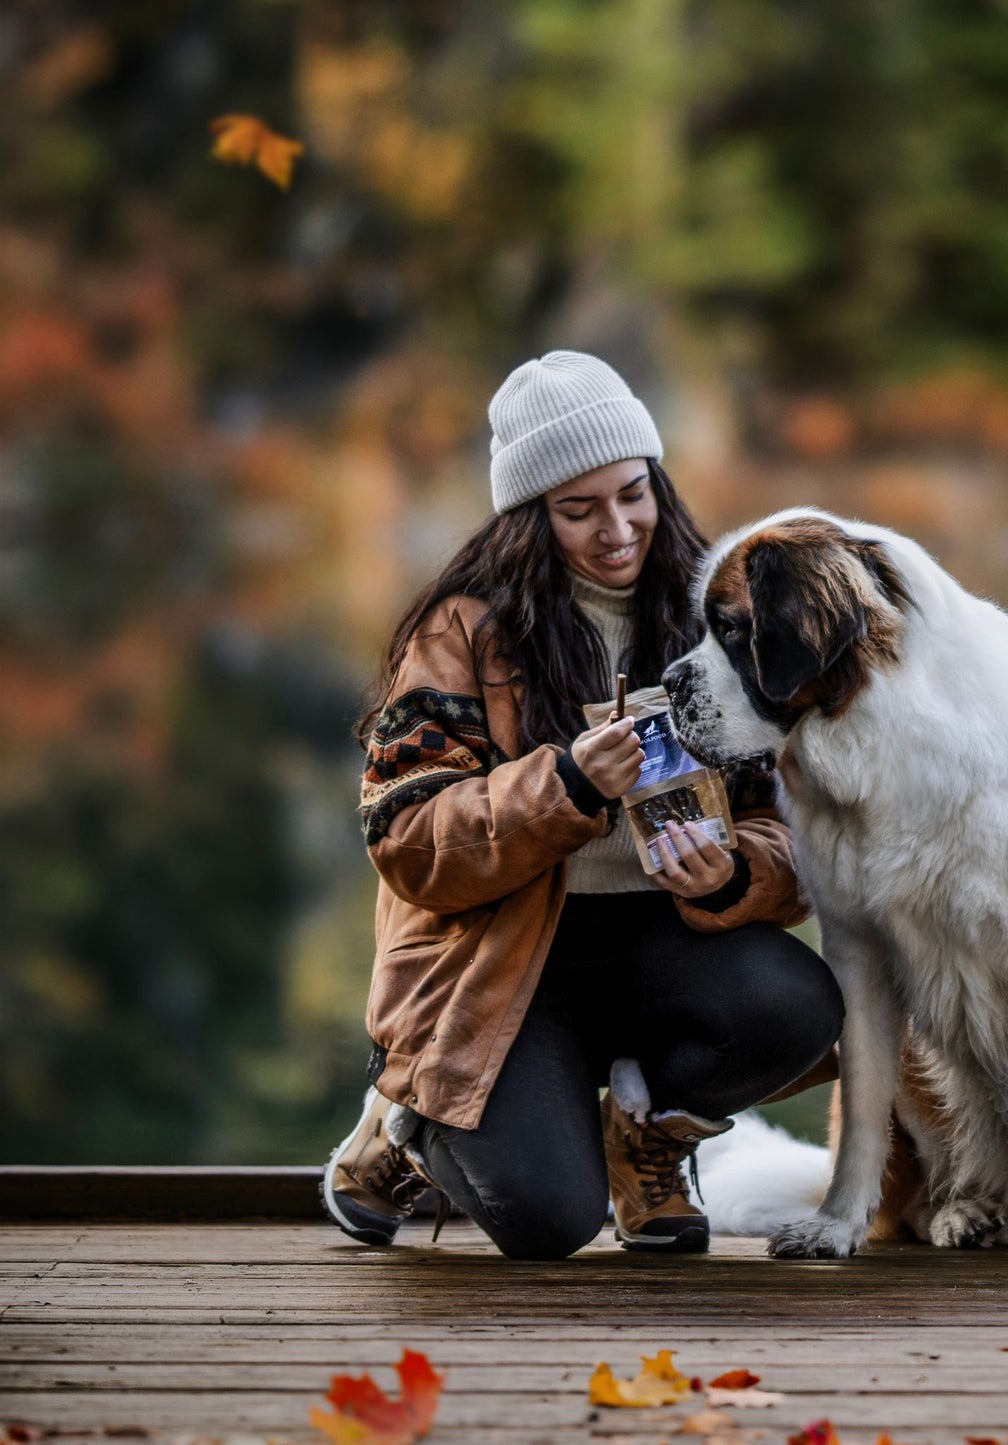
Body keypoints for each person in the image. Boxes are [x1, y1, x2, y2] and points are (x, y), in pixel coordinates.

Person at [321, 350, 844, 1259]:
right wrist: (563, 784)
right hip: (498, 965)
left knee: (798, 1006)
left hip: (661, 940)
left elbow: (794, 829)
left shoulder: (712, 618)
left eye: (633, 494)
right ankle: (404, 1121)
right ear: (531, 517)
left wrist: (732, 875)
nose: (617, 529)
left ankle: (648, 1139)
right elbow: (406, 841)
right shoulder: (461, 629)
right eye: (578, 509)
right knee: (548, 1222)